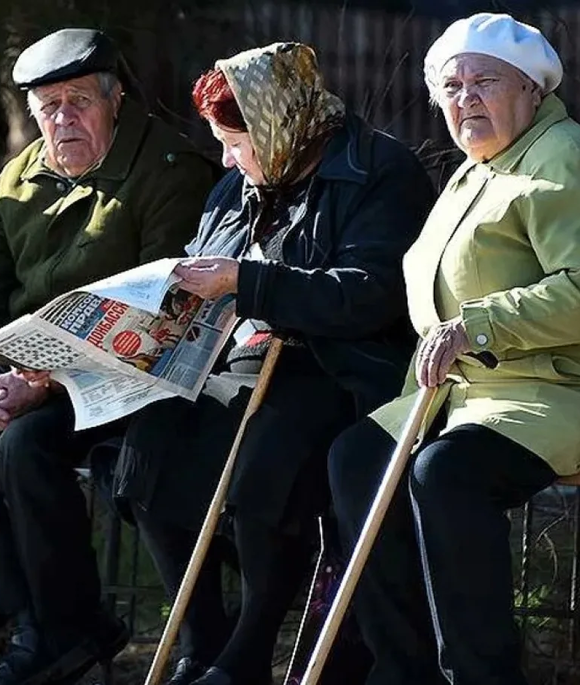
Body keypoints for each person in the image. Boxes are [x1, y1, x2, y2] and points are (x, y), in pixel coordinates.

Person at [327, 13, 580, 685]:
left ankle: (481, 674)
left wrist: (476, 327)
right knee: (358, 460)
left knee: (447, 472)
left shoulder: (571, 160)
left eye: (485, 82)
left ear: (532, 89)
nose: (466, 99)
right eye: (452, 87)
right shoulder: (473, 174)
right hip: (487, 394)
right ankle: (404, 672)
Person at [111, 43, 436, 685]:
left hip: (341, 368)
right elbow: (205, 261)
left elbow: (369, 294)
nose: (227, 161)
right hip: (241, 362)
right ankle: (202, 643)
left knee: (271, 451)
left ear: (276, 125)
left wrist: (247, 282)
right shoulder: (239, 183)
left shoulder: (379, 171)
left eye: (236, 144)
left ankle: (247, 653)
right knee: (151, 445)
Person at [0, 28, 219, 685]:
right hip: (32, 378)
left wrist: (43, 383)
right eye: (48, 107)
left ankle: (64, 629)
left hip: (130, 379)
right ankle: (36, 626)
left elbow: (167, 308)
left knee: (25, 446)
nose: (63, 119)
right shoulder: (19, 178)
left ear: (115, 99)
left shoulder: (168, 169)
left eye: (79, 101)